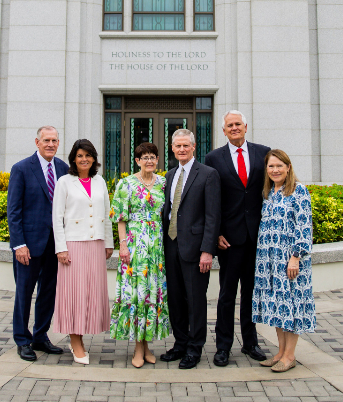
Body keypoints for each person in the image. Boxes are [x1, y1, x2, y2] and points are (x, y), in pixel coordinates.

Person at [204, 110, 271, 366]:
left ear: (246, 126)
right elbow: (211, 199)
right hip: (228, 239)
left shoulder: (263, 153)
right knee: (226, 295)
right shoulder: (213, 158)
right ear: (224, 131)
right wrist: (217, 232)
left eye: (238, 124)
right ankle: (223, 347)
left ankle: (251, 343)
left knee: (251, 294)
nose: (234, 128)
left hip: (256, 236)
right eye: (229, 125)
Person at [159, 129, 221, 370]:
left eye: (186, 146)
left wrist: (208, 250)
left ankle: (194, 349)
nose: (181, 150)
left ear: (194, 147)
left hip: (195, 250)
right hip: (171, 246)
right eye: (177, 146)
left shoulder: (208, 174)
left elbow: (213, 216)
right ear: (172, 149)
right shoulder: (170, 174)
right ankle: (180, 344)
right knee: (174, 299)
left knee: (195, 300)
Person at [7, 126, 68, 362]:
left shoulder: (63, 169)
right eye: (46, 140)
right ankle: (22, 340)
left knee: (48, 292)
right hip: (29, 245)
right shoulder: (21, 169)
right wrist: (19, 244)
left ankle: (40, 336)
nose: (51, 144)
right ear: (37, 142)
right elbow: (13, 211)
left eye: (54, 140)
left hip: (55, 244)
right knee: (24, 292)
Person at [252, 149, 316, 373]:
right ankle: (280, 352)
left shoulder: (298, 191)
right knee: (278, 308)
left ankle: (290, 356)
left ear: (288, 167)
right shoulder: (268, 193)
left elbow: (303, 227)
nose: (275, 170)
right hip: (270, 262)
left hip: (290, 262)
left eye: (279, 165)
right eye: (271, 166)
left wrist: (295, 257)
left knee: (292, 307)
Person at [51, 139, 114, 365]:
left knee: (90, 293)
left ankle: (81, 335)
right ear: (73, 159)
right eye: (79, 156)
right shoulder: (64, 182)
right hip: (73, 245)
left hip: (96, 244)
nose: (84, 159)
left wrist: (109, 243)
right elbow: (57, 218)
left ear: (94, 159)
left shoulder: (100, 182)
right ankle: (75, 340)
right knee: (74, 294)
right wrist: (61, 248)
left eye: (88, 155)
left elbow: (107, 214)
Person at [109, 142, 170, 368]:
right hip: (134, 246)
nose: (149, 161)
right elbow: (120, 217)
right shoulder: (126, 184)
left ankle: (147, 345)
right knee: (136, 295)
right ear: (137, 161)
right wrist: (123, 245)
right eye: (144, 157)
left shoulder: (164, 183)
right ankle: (137, 347)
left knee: (152, 294)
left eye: (153, 156)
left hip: (157, 247)